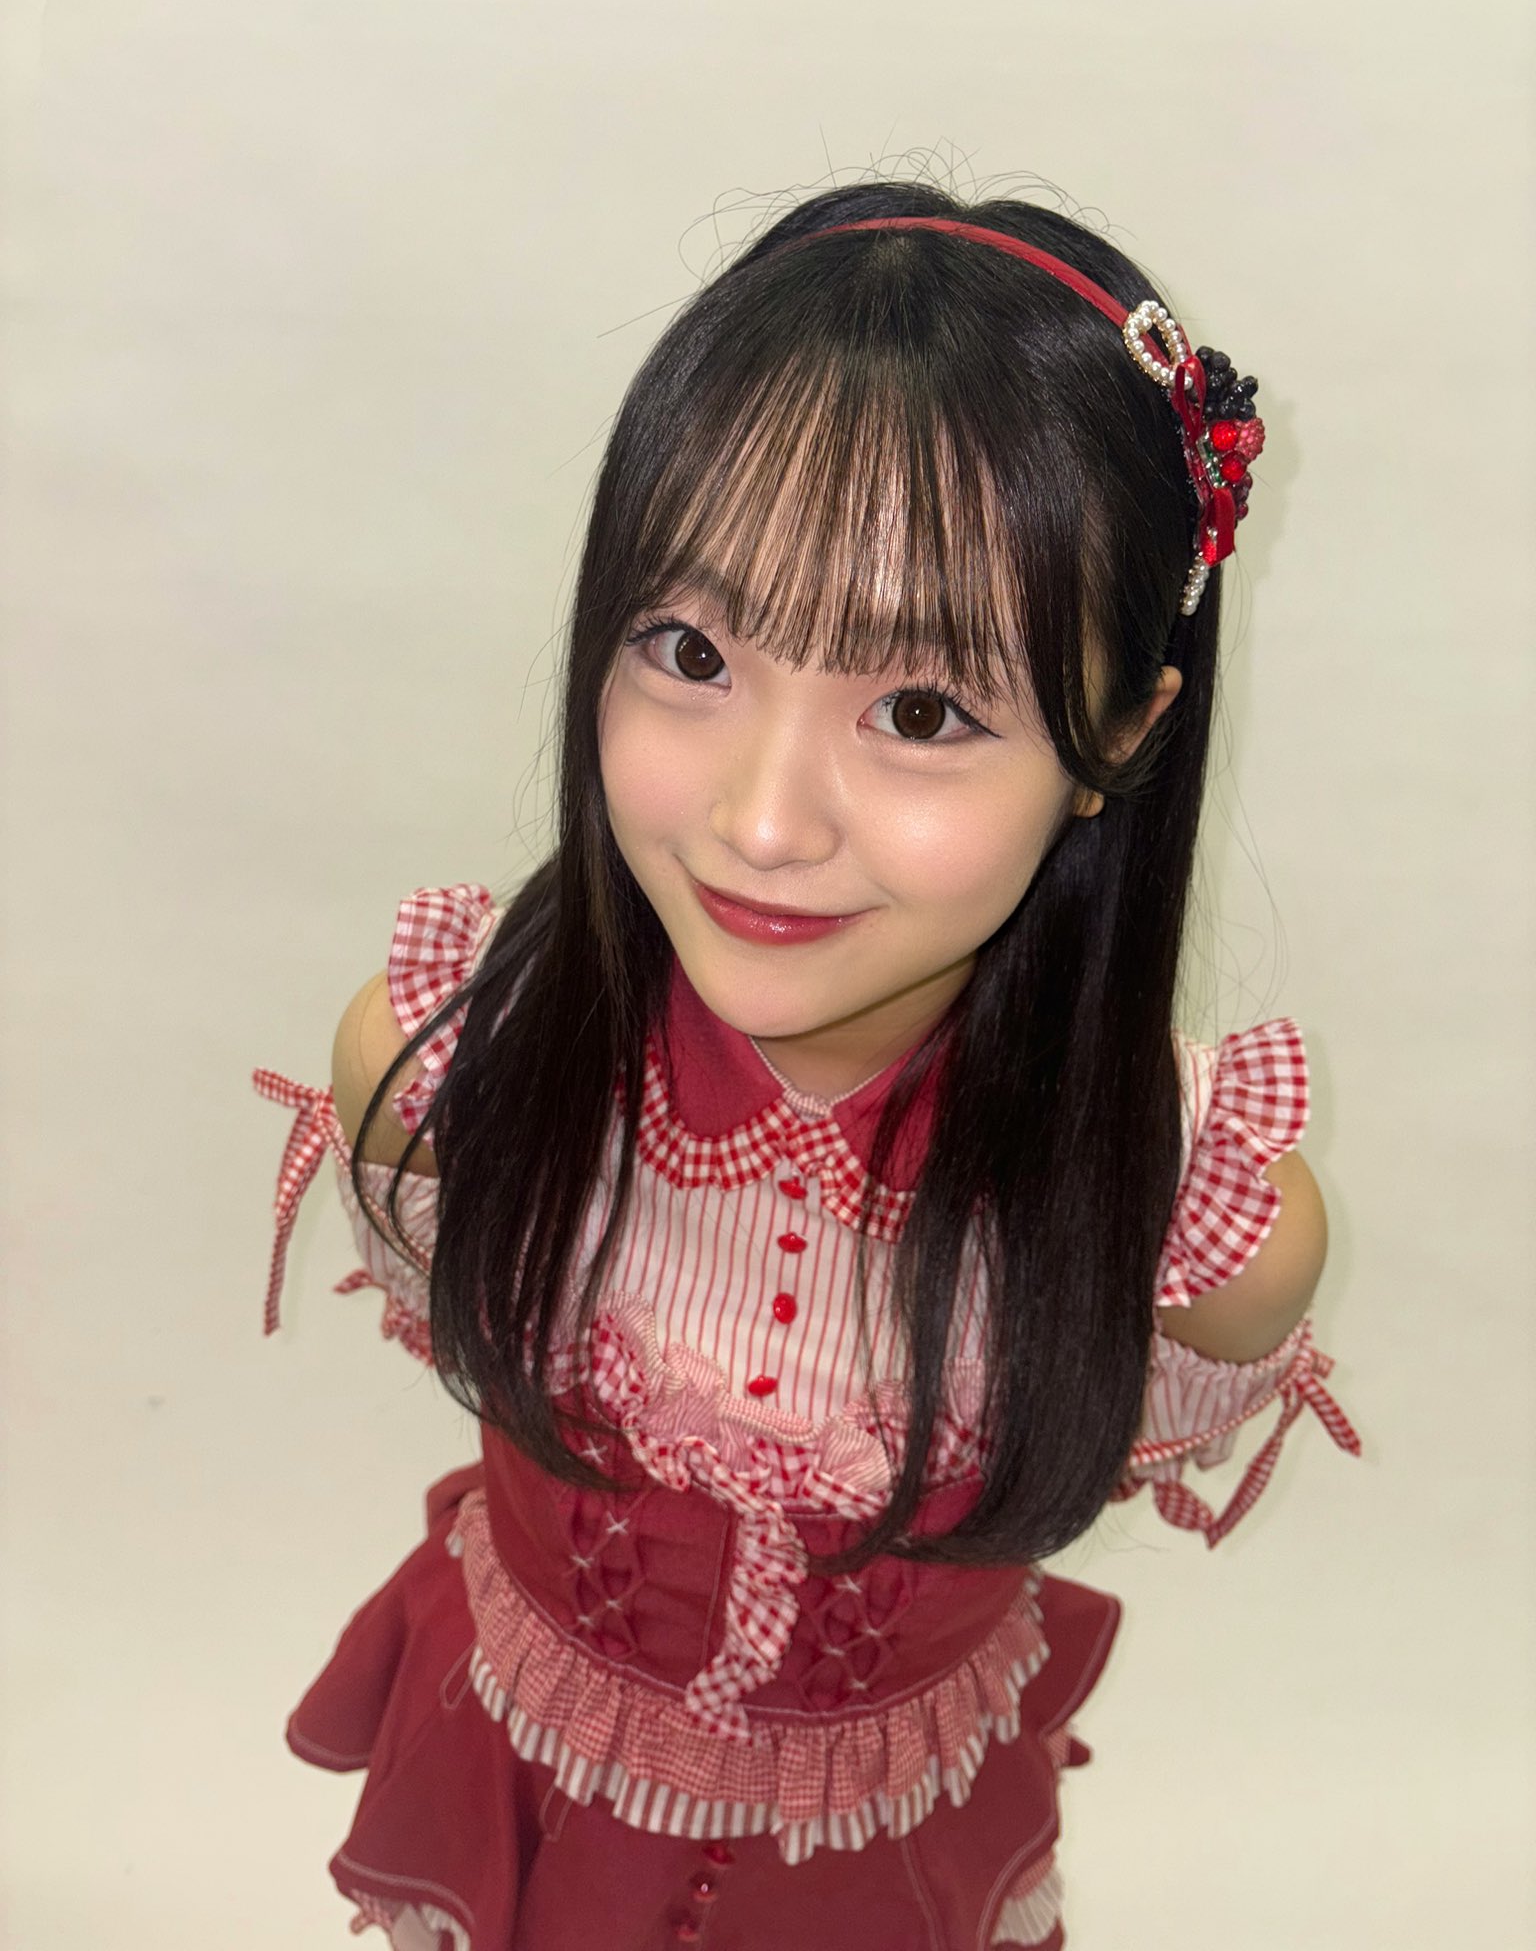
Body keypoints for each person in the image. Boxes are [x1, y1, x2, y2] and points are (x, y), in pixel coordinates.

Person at [253, 184, 1361, 1951]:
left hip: (882, 1872)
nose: (763, 822)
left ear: (1122, 735)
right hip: (520, 1782)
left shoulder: (1193, 1224)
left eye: (921, 712)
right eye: (690, 653)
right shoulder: (455, 1062)